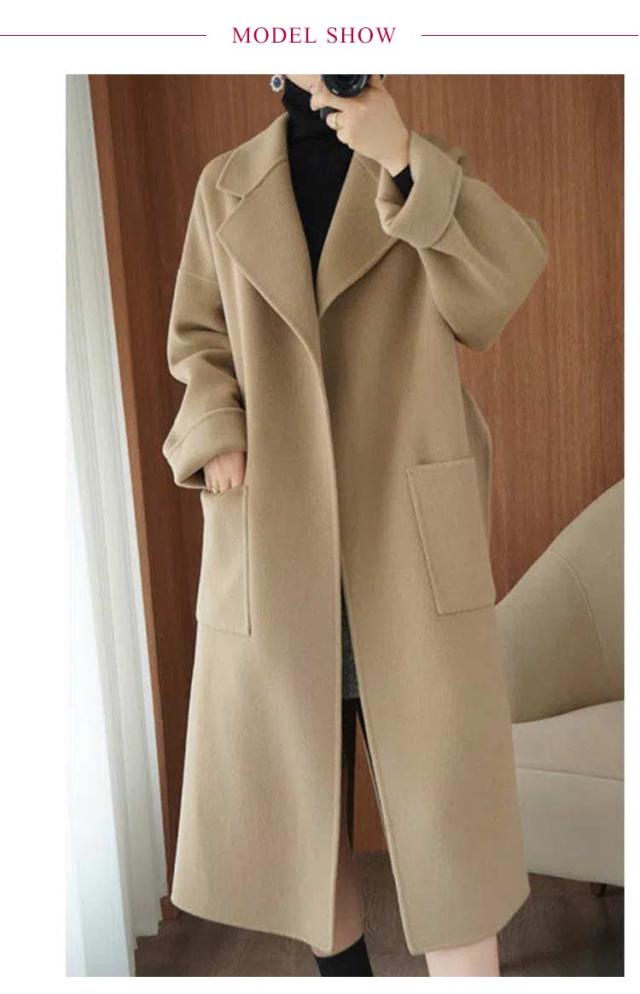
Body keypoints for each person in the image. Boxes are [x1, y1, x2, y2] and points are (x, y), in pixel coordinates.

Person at [162, 74, 548, 977]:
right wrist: (216, 432)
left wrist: (403, 156)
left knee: (451, 818)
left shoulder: (425, 167)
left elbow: (498, 289)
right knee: (308, 811)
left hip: (405, 541)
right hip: (278, 535)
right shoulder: (225, 184)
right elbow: (198, 338)